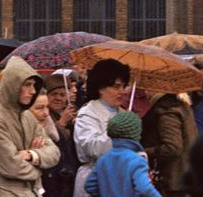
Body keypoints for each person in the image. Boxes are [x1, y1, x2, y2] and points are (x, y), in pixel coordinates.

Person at [0, 56, 60, 196]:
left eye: (34, 85)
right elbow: (11, 167)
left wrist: (31, 155)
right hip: (3, 192)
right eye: (27, 84)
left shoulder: (27, 116)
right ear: (13, 85)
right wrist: (39, 169)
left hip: (30, 190)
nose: (33, 91)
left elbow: (54, 153)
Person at [72, 58, 130, 197]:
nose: (122, 91)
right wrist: (117, 133)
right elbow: (91, 147)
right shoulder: (88, 113)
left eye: (124, 86)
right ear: (100, 88)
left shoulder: (124, 113)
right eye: (116, 87)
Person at [84, 111, 162, 197]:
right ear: (136, 133)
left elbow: (90, 186)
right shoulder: (137, 160)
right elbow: (144, 189)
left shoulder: (103, 159)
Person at [141, 92, 198, 196]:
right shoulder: (181, 106)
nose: (145, 91)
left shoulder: (167, 110)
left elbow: (172, 148)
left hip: (174, 179)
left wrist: (143, 152)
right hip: (185, 176)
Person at [28, 90, 76, 197]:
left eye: (47, 107)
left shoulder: (56, 135)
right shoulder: (18, 137)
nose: (46, 113)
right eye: (39, 108)